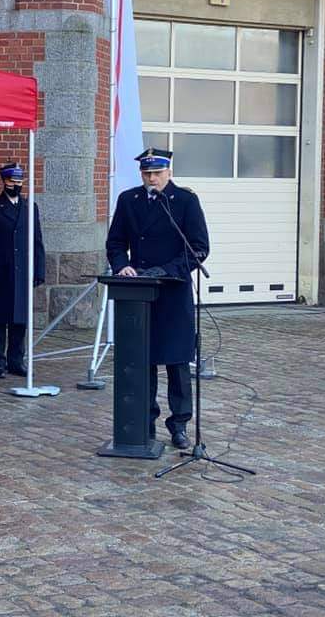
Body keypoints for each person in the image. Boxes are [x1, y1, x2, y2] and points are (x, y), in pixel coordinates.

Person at [105, 148, 210, 450]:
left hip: (173, 291)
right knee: (143, 360)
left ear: (169, 173)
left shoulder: (186, 201)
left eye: (157, 173)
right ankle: (144, 422)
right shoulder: (129, 200)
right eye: (147, 173)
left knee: (177, 362)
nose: (152, 179)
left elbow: (198, 247)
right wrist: (121, 265)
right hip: (139, 293)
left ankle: (179, 425)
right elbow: (115, 242)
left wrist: (166, 270)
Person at [0, 162, 45, 378]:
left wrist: (39, 270)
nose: (15, 185)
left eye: (19, 181)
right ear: (4, 181)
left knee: (20, 319)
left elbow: (37, 241)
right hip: (1, 272)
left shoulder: (30, 207)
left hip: (22, 272)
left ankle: (16, 360)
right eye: (11, 181)